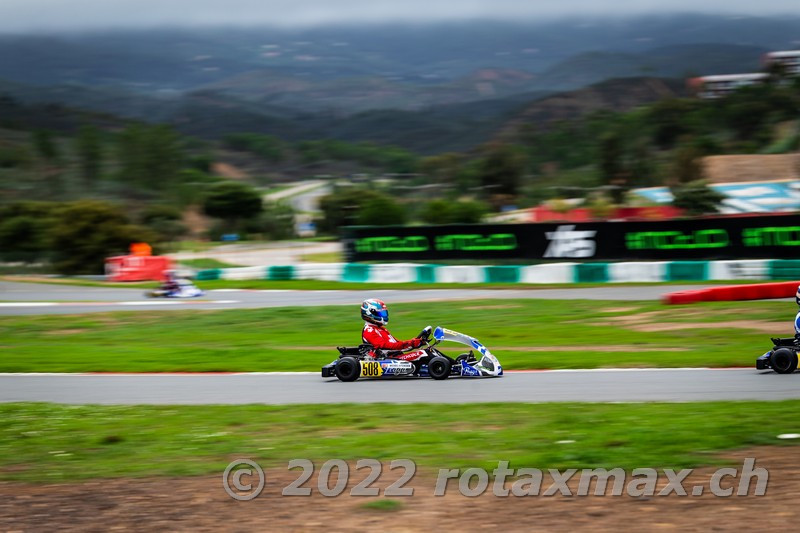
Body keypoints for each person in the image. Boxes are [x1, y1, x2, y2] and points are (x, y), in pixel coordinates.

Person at [361, 299, 426, 361]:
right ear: (370, 313)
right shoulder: (369, 330)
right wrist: (411, 343)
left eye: (384, 313)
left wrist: (416, 343)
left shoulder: (381, 329)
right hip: (386, 359)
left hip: (395, 357)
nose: (383, 316)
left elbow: (396, 344)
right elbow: (384, 346)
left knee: (428, 352)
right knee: (422, 354)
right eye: (381, 313)